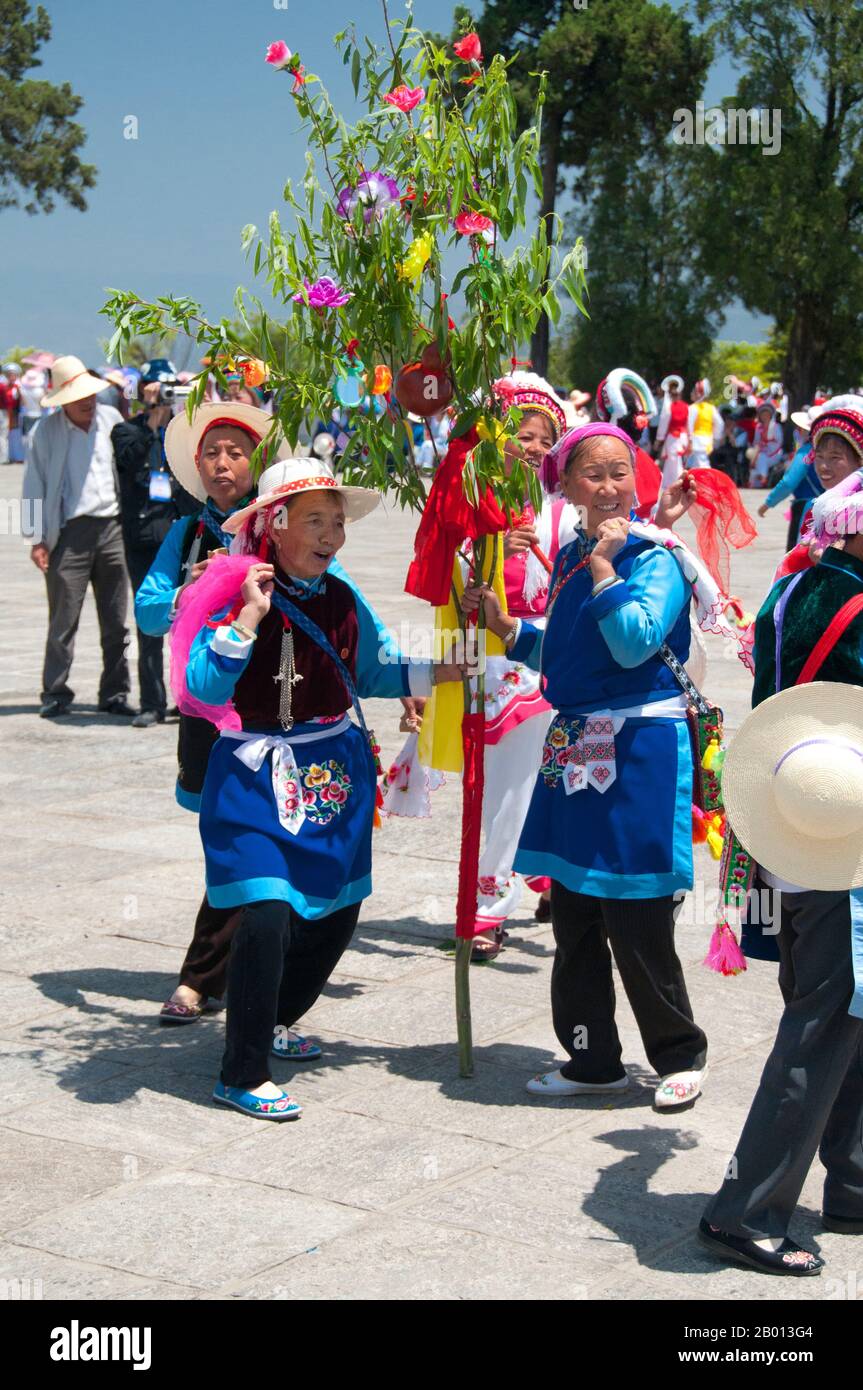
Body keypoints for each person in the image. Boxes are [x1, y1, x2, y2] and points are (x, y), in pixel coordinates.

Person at [175, 457, 469, 1119]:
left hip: (331, 775)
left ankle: (273, 1018)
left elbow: (373, 669)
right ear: (273, 525)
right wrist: (246, 619)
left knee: (336, 911)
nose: (331, 532)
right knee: (267, 911)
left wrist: (455, 666)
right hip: (252, 775)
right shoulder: (231, 589)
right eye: (315, 520)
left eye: (336, 521)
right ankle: (241, 1070)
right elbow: (201, 688)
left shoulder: (340, 595)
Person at [463, 421, 726, 1110]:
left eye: (620, 471)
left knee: (635, 914)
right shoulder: (579, 556)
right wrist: (507, 629)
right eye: (593, 473)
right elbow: (573, 651)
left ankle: (678, 1052)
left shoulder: (652, 557)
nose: (610, 486)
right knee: (575, 912)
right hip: (577, 746)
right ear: (565, 486)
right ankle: (591, 1057)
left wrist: (610, 569)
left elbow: (635, 641)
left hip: (639, 751)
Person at [700, 433, 863, 1276]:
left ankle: (853, 1180)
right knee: (825, 1018)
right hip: (846, 837)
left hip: (797, 821)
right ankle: (747, 1208)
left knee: (840, 1010)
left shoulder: (798, 582)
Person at [21, 355, 134, 719]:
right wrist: (36, 538)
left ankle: (115, 692)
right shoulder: (46, 432)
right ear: (63, 400)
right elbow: (33, 485)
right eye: (80, 396)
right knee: (63, 618)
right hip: (69, 532)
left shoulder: (111, 419)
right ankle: (55, 691)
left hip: (113, 527)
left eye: (90, 395)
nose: (89, 402)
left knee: (117, 619)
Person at [655, 374, 690, 489]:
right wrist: (690, 439)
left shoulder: (668, 407)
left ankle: (675, 482)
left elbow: (664, 424)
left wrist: (659, 439)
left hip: (673, 437)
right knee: (675, 460)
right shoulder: (686, 407)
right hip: (682, 436)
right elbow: (689, 425)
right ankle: (675, 482)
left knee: (673, 460)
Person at [687, 379, 723, 470]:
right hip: (707, 441)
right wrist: (715, 438)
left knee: (702, 467)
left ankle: (707, 483)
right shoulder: (711, 408)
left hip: (695, 442)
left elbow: (689, 426)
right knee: (696, 467)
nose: (691, 393)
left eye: (694, 391)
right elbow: (720, 424)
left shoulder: (693, 408)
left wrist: (689, 441)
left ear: (699, 394)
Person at [750, 401, 785, 488]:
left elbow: (779, 441)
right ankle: (759, 479)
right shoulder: (758, 427)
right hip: (761, 451)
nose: (765, 416)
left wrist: (767, 444)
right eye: (763, 414)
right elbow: (756, 441)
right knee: (757, 456)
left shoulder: (776, 426)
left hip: (774, 452)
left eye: (766, 414)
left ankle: (762, 477)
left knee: (762, 457)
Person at [4, 363, 24, 463]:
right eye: (9, 375)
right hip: (8, 413)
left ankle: (19, 457)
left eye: (12, 374)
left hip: (16, 413)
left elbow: (22, 401)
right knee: (9, 436)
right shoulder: (5, 387)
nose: (11, 377)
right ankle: (11, 456)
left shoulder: (18, 387)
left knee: (17, 435)